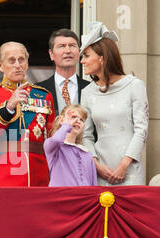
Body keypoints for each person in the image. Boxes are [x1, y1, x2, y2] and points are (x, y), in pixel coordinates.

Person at [0, 41, 55, 186]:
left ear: (27, 63)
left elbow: (52, 138)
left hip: (38, 174)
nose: (17, 65)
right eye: (11, 60)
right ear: (0, 65)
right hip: (2, 175)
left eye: (21, 60)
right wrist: (9, 107)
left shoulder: (44, 96)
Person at [80, 22, 149, 186]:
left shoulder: (134, 85)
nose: (82, 61)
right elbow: (86, 135)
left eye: (87, 56)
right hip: (100, 171)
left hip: (130, 170)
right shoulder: (87, 92)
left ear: (102, 58)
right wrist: (96, 165)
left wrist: (124, 165)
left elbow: (142, 130)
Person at [36, 29, 90, 116]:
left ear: (79, 52)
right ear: (51, 54)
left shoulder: (91, 89)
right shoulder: (37, 90)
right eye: (61, 46)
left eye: (72, 45)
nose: (68, 51)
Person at [44, 104, 97, 186]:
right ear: (61, 120)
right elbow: (56, 140)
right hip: (62, 197)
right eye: (73, 117)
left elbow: (93, 183)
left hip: (84, 197)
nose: (78, 121)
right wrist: (66, 125)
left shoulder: (87, 153)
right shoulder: (54, 147)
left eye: (82, 120)